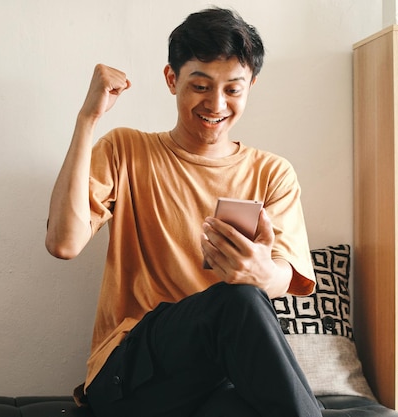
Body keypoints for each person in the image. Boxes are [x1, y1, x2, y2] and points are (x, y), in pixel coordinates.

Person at [46, 7, 322, 417]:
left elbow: (287, 275)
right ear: (172, 79)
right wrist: (88, 119)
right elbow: (63, 243)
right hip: (130, 376)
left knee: (250, 374)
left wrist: (261, 270)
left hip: (216, 378)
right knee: (238, 300)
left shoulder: (272, 172)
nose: (216, 104)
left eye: (233, 89)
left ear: (251, 87)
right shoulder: (126, 150)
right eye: (200, 85)